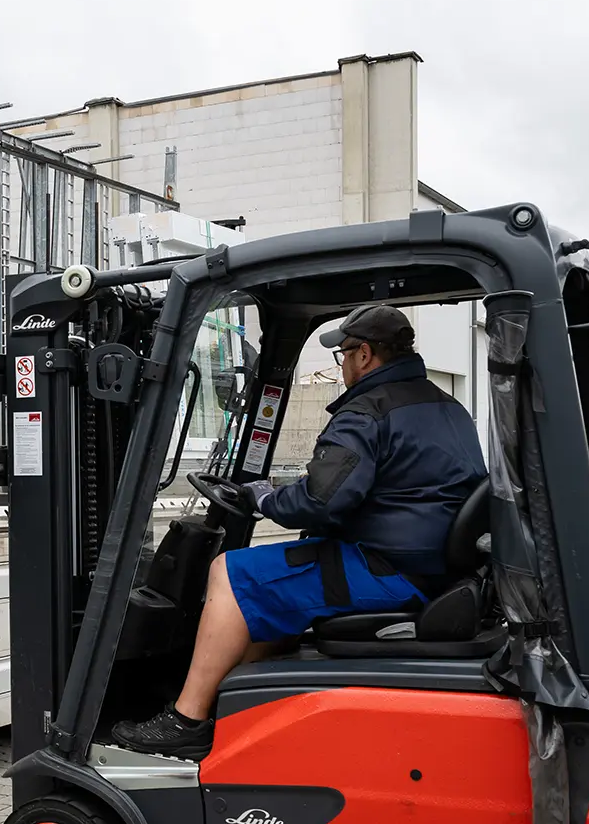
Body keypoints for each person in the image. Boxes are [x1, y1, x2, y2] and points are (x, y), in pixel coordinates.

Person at [113, 303, 488, 759]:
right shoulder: (445, 406)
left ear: (365, 355)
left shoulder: (368, 412)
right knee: (284, 570)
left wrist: (264, 497)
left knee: (231, 572)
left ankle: (186, 720)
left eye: (344, 355)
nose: (344, 365)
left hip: (390, 571)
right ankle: (243, 708)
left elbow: (322, 500)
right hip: (428, 566)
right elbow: (375, 488)